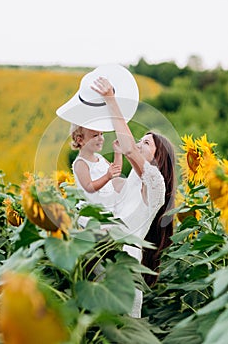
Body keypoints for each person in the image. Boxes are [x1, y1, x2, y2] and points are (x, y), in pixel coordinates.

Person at [91, 76, 176, 318]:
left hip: (123, 270)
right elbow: (105, 186)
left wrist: (110, 99)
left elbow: (129, 149)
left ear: (158, 159)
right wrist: (116, 156)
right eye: (139, 140)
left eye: (146, 143)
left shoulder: (156, 185)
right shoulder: (132, 183)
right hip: (104, 260)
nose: (138, 144)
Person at [70, 123, 124, 213]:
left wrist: (117, 152)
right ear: (80, 140)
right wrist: (107, 176)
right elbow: (89, 187)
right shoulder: (81, 163)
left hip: (109, 206)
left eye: (101, 134)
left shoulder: (100, 158)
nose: (101, 138)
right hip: (94, 210)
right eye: (95, 135)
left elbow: (116, 172)